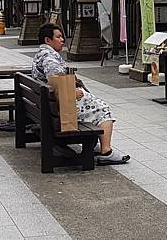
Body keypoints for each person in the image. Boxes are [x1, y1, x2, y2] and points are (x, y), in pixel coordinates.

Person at [32, 23, 130, 165]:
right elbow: (54, 78)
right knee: (104, 110)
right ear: (48, 40)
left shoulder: (41, 54)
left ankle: (97, 144)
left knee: (96, 105)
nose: (62, 40)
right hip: (60, 106)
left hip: (48, 104)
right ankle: (106, 151)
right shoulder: (49, 57)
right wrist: (71, 92)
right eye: (58, 37)